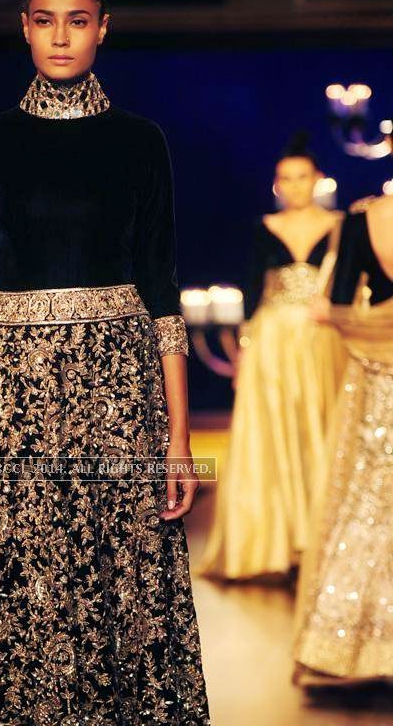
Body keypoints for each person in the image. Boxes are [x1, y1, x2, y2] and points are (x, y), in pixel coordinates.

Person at [0, 0, 211, 722]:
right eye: (45, 20)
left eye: (77, 20)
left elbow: (164, 297)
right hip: (15, 405)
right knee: (20, 587)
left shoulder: (140, 144)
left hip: (120, 400)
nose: (60, 35)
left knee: (121, 587)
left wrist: (180, 439)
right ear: (24, 25)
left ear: (102, 27)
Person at [195, 133, 349, 581]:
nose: (295, 186)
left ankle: (322, 540)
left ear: (317, 180)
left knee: (320, 428)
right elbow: (250, 292)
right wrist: (243, 351)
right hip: (273, 340)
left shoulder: (341, 225)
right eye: (286, 178)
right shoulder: (263, 228)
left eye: (303, 177)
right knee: (273, 433)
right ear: (277, 184)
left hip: (323, 338)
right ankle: (275, 541)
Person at [292, 193, 393, 686]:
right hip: (376, 368)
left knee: (367, 497)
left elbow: (333, 306)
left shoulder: (361, 220)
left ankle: (349, 640)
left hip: (375, 370)